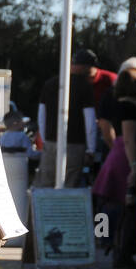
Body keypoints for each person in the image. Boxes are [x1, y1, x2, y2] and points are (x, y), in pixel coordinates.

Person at [35, 48, 116, 188]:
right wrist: (90, 149)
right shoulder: (85, 86)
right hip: (75, 144)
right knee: (69, 184)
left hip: (51, 142)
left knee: (46, 183)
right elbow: (90, 119)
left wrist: (45, 138)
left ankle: (45, 209)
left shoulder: (50, 83)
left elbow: (41, 115)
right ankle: (64, 210)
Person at [112, 67, 136, 269]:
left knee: (127, 207)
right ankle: (122, 252)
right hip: (128, 159)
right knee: (129, 207)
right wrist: (135, 167)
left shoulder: (130, 104)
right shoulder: (129, 107)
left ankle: (121, 250)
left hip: (127, 157)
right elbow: (128, 139)